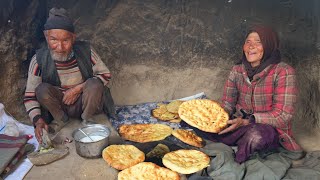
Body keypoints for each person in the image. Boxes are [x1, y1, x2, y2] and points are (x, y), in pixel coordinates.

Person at [182, 26, 302, 163]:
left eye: (258, 42)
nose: (251, 46)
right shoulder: (237, 69)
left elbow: (283, 116)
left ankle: (237, 161)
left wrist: (248, 120)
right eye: (248, 42)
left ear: (269, 45)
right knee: (188, 121)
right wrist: (210, 115)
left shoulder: (283, 72)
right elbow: (227, 105)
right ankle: (237, 146)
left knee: (256, 136)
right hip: (238, 124)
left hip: (268, 129)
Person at [24, 8, 115, 144]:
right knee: (41, 89)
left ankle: (87, 119)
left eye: (65, 40)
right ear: (46, 36)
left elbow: (106, 75)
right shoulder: (38, 60)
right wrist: (37, 120)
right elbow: (30, 96)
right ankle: (61, 120)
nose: (60, 47)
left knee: (94, 84)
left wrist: (77, 89)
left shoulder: (86, 51)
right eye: (53, 40)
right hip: (60, 105)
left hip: (84, 102)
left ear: (73, 38)